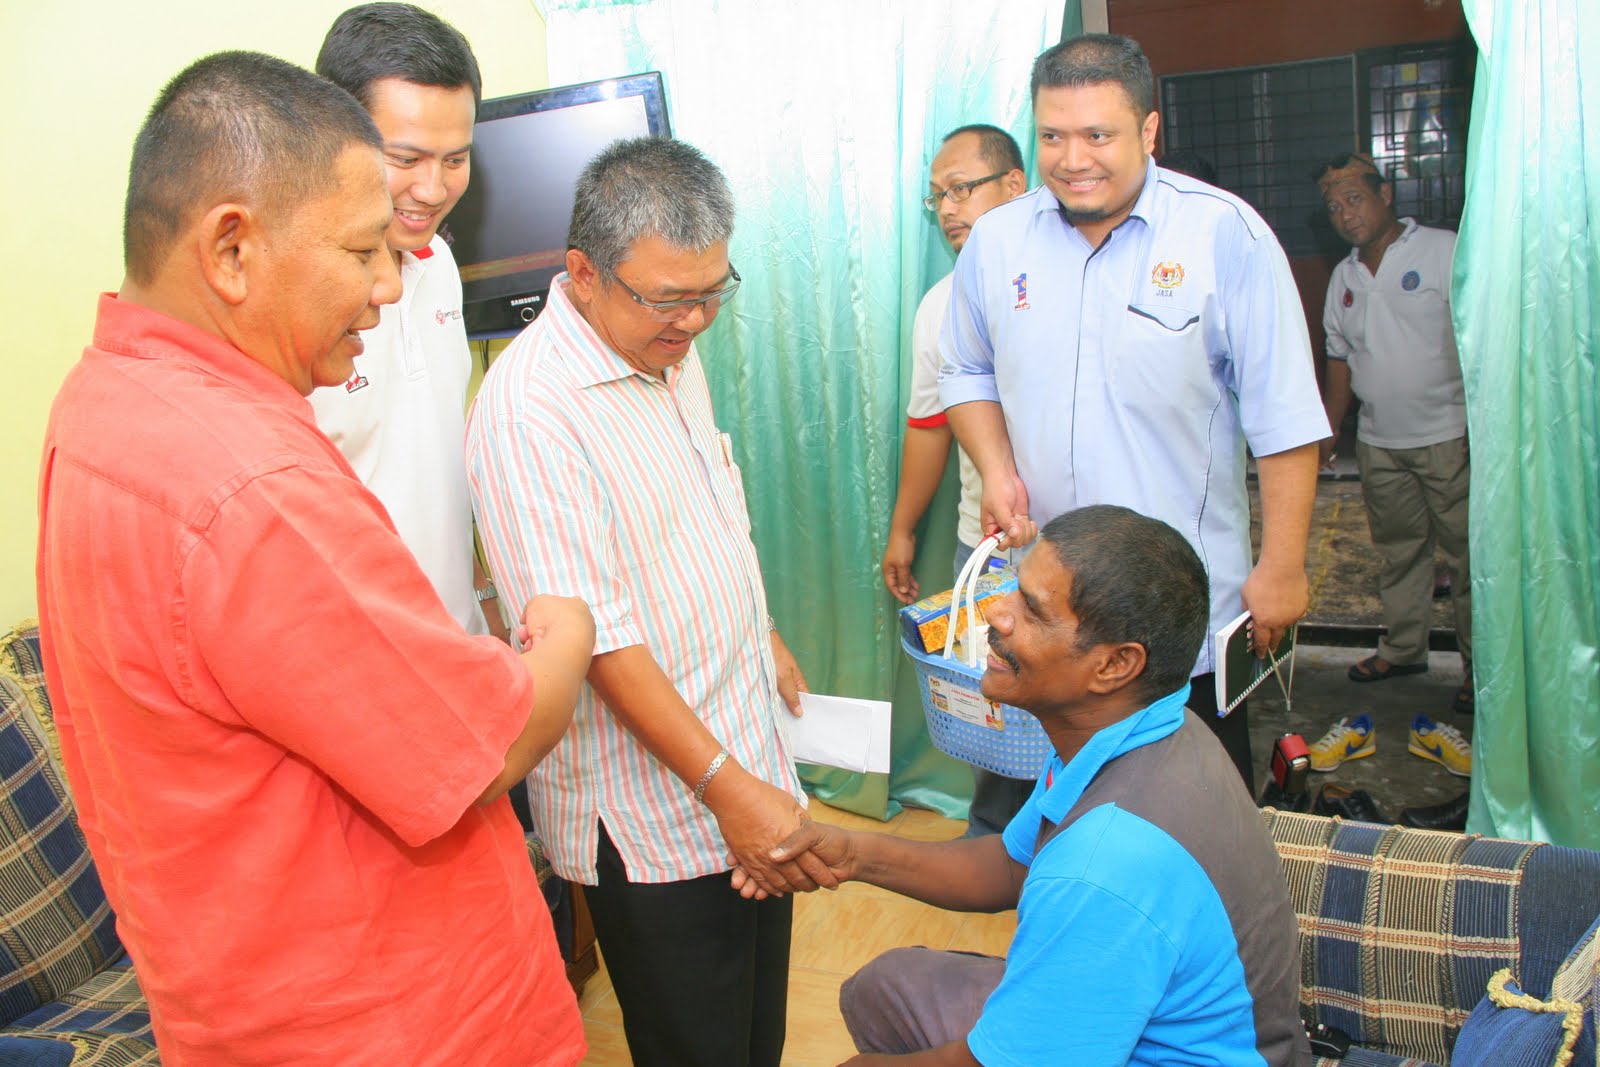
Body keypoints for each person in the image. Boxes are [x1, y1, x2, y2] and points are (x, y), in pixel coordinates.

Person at [35, 52, 594, 1065]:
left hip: (239, 994)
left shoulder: (105, 401)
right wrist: (565, 639)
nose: (387, 284)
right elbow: (484, 746)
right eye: (363, 249)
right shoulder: (248, 483)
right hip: (391, 1018)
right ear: (232, 249)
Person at [466, 136, 833, 1067]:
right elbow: (596, 644)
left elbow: (704, 510)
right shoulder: (530, 412)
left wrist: (762, 632)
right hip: (656, 818)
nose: (696, 320)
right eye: (670, 298)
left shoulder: (666, 346)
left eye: (713, 291)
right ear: (584, 273)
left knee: (754, 1040)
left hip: (742, 757)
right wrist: (731, 791)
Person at [755, 506, 1310, 1066]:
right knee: (884, 987)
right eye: (1013, 590)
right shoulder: (1146, 727)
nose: (997, 613)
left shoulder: (1105, 862)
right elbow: (1010, 866)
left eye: (1032, 610)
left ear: (1115, 665)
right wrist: (852, 854)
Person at [940, 34, 1329, 788]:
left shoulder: (1226, 236)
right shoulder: (997, 242)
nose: (1072, 159)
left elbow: (1284, 416)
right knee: (1049, 813)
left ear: (1148, 130)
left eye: (1098, 135)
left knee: (1186, 814)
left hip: (1176, 618)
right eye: (1052, 136)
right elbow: (965, 366)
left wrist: (1282, 566)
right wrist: (995, 468)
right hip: (1048, 615)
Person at [309, 3, 505, 640]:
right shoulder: (291, 308)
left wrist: (483, 596)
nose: (433, 189)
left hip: (461, 642)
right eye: (406, 158)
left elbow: (430, 465)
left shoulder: (439, 263)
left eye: (455, 159)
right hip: (369, 657)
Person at [881, 124, 1027, 836]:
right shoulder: (940, 304)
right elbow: (929, 428)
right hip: (988, 547)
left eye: (962, 188)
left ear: (1015, 186)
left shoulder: (1067, 281)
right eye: (936, 195)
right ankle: (995, 845)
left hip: (1083, 544)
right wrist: (902, 530)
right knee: (995, 706)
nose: (947, 208)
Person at [1316, 153, 1472, 715]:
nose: (1345, 214)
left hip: (1448, 435)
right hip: (1380, 443)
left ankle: (1482, 668)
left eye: (1354, 198)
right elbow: (1340, 359)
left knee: (1469, 559)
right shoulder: (1344, 277)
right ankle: (1405, 649)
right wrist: (1330, 431)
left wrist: (1483, 425)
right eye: (1333, 206)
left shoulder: (1443, 250)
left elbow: (1479, 335)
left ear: (1385, 196)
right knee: (1401, 554)